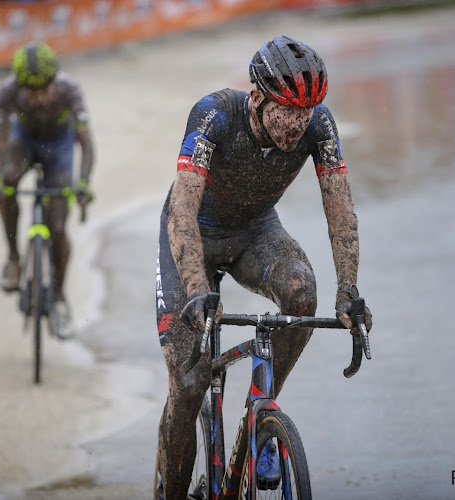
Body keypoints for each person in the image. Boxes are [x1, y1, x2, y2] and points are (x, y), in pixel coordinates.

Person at [154, 36, 373, 498]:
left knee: (301, 292)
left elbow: (340, 209)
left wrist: (348, 289)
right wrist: (195, 287)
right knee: (188, 385)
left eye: (306, 111)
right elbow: (182, 210)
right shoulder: (214, 115)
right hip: (194, 233)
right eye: (287, 110)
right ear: (256, 97)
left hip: (255, 232)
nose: (298, 124)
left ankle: (263, 415)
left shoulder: (320, 126)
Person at [0, 42, 95, 338]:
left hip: (59, 148)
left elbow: (86, 143)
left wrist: (83, 183)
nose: (37, 98)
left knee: (57, 226)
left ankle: (58, 294)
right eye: (30, 93)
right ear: (19, 87)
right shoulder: (7, 93)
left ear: (54, 81)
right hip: (24, 142)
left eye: (43, 90)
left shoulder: (70, 91)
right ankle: (13, 259)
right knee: (9, 180)